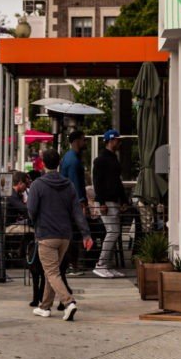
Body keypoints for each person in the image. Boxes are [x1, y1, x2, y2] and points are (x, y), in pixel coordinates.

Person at [26, 148, 92, 321]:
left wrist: (36, 222)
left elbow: (31, 210)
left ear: (43, 163)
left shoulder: (37, 185)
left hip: (46, 234)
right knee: (52, 271)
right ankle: (45, 306)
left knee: (51, 272)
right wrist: (86, 234)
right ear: (59, 163)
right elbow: (77, 212)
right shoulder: (69, 185)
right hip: (65, 236)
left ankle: (69, 302)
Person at [92, 129, 127, 278]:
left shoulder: (112, 158)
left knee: (114, 232)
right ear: (111, 140)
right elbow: (97, 182)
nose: (119, 143)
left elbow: (117, 181)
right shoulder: (101, 160)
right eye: (117, 140)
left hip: (112, 200)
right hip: (106, 201)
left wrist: (123, 199)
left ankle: (107, 265)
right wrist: (101, 202)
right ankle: (101, 264)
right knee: (113, 232)